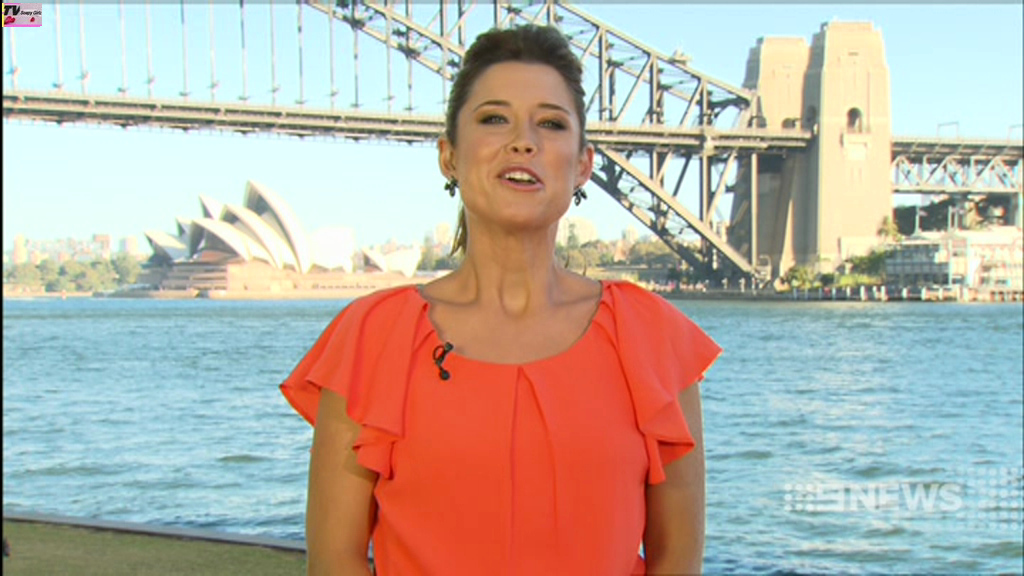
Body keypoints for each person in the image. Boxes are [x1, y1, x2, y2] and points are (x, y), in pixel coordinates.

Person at [280, 24, 722, 576]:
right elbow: (335, 561)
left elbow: (677, 560)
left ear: (582, 164)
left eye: (551, 123)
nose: (523, 141)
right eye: (494, 119)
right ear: (449, 156)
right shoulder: (373, 337)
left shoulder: (651, 338)